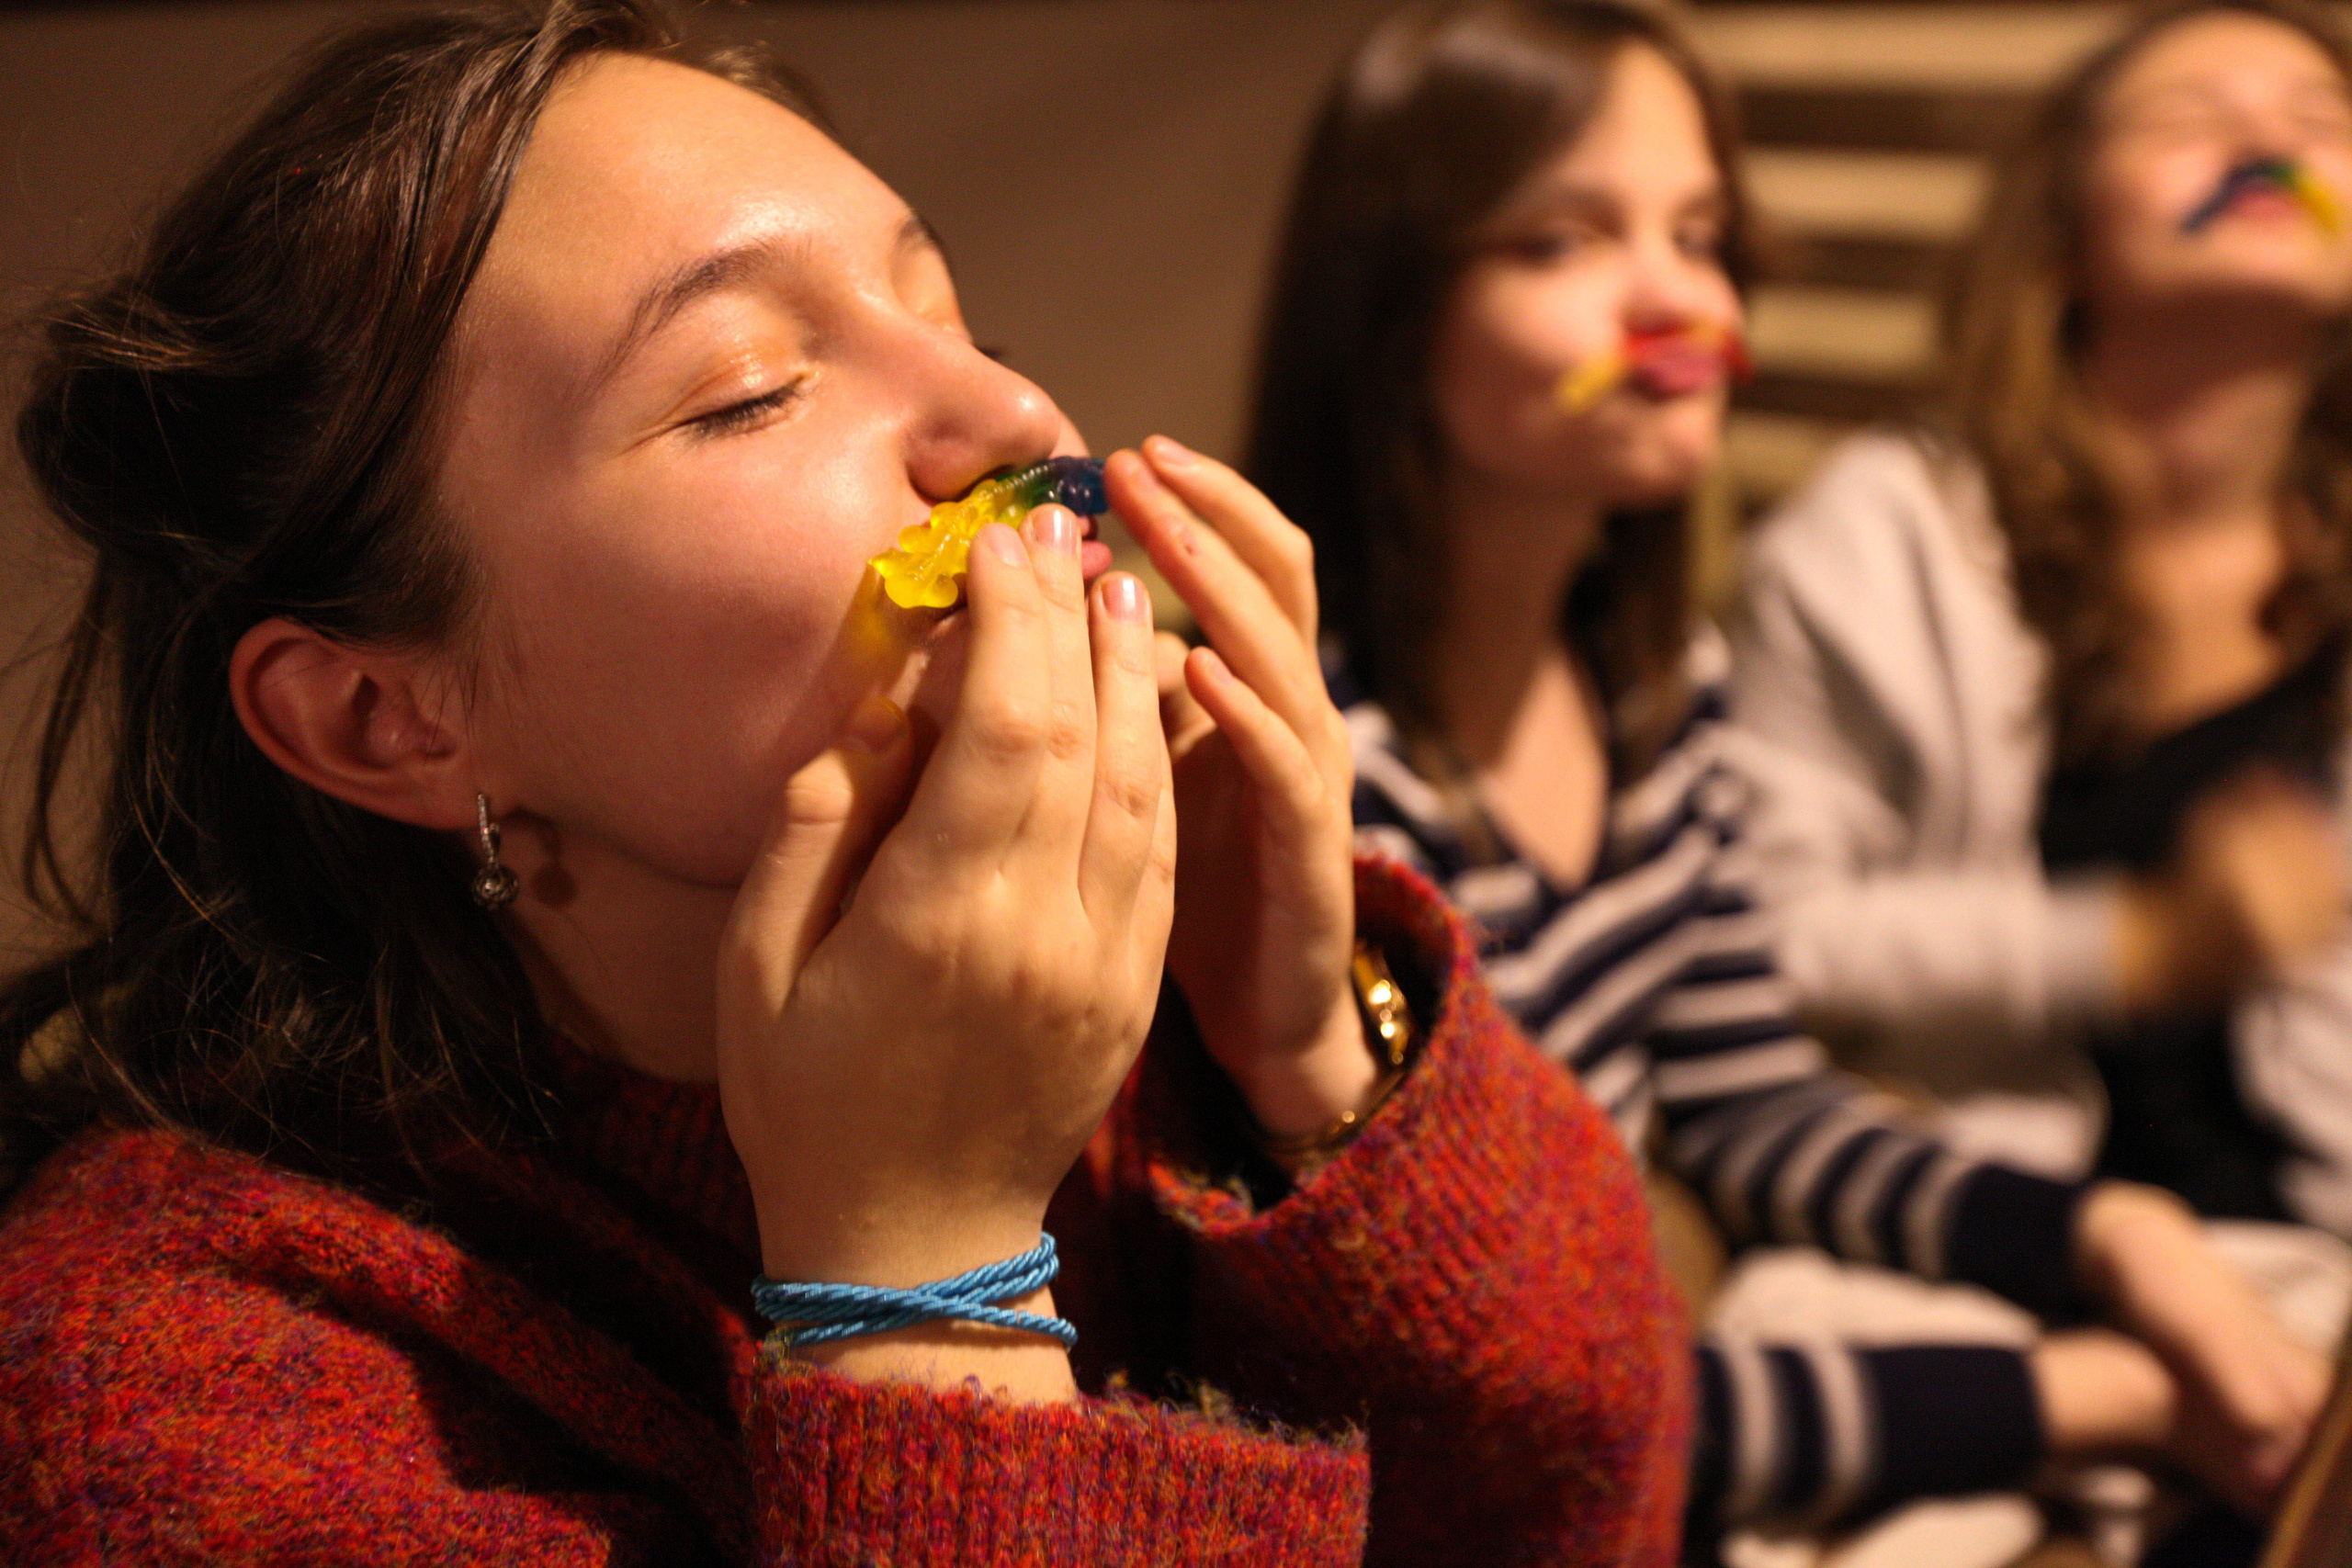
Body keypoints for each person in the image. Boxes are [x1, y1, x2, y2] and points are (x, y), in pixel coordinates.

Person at [0, 3, 1696, 1562]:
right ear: (385, 718)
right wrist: (923, 1276)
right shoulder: (172, 1370)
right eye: (750, 392)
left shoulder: (1114, 1016)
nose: (1015, 411)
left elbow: (1593, 1509)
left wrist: (1312, 1049)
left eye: (946, 308)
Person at [1243, 0, 2332, 1552]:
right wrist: (2088, 1395)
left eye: (1698, 234)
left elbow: (1754, 1105)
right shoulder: (1318, 790)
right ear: (1391, 309)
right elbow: (1509, 1396)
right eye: (1564, 240)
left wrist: (2114, 1239)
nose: (1677, 302)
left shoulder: (1652, 699)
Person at [1729, 0, 2352, 1244]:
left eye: (2319, 124)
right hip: (2006, 1252)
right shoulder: (1884, 537)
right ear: (2062, 230)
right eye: (2192, 119)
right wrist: (2142, 940)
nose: (2262, 151)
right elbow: (1756, 938)